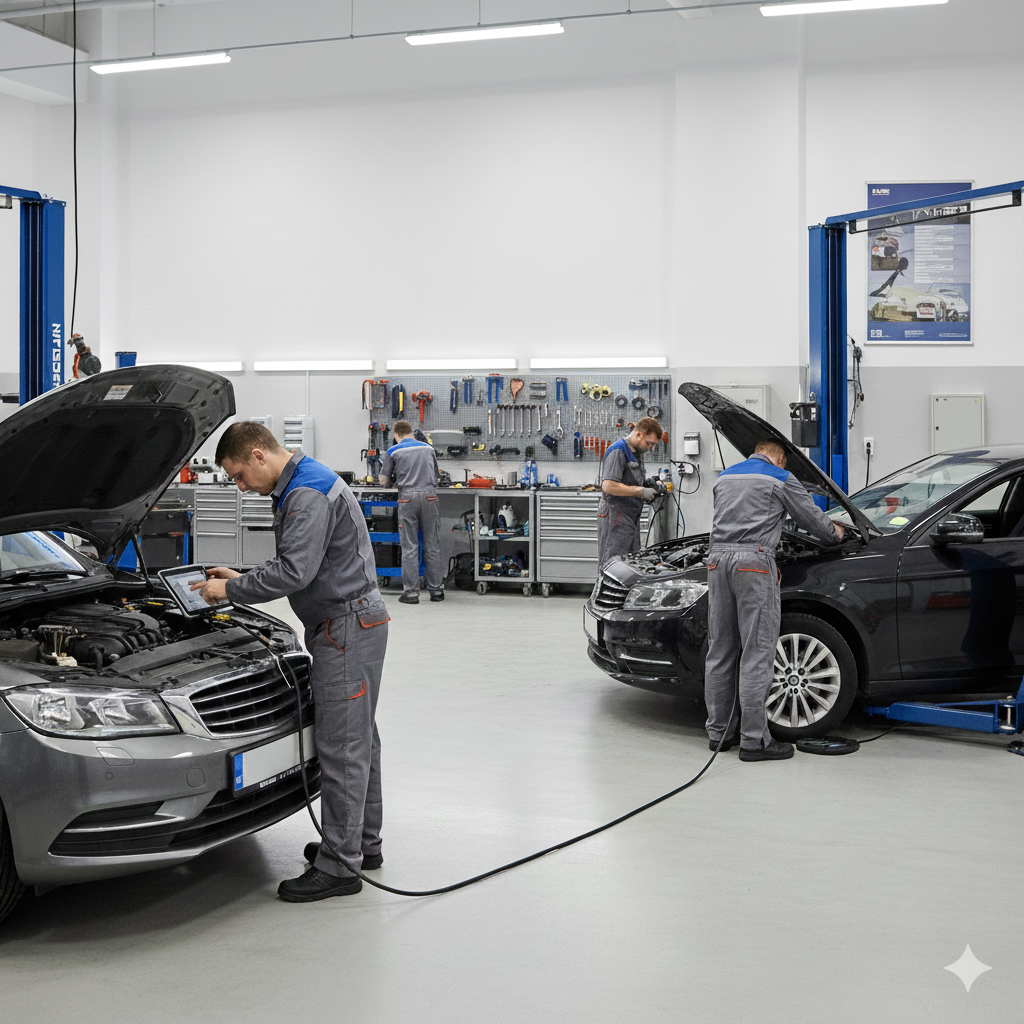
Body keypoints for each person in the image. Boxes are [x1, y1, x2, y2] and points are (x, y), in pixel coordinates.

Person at [190, 421, 389, 901]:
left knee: (342, 746)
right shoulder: (307, 478)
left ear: (259, 455)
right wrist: (243, 575)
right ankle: (360, 845)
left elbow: (295, 571)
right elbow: (308, 563)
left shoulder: (305, 493)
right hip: (353, 622)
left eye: (240, 475)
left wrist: (229, 590)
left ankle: (340, 868)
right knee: (360, 738)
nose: (241, 487)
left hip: (344, 628)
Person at [704, 438, 845, 762]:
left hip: (716, 562)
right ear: (780, 458)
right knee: (757, 651)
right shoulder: (780, 477)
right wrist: (836, 532)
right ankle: (754, 741)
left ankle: (719, 734)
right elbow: (814, 522)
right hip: (753, 564)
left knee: (720, 649)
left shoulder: (725, 476)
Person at [379, 420, 443, 604]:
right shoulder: (428, 448)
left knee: (409, 547)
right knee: (432, 545)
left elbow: (383, 480)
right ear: (412, 433)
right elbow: (436, 474)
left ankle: (412, 594)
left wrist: (391, 481)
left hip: (407, 498)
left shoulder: (393, 451)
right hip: (430, 496)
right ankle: (437, 591)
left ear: (396, 435)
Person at [596, 417, 665, 569]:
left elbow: (627, 480)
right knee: (612, 565)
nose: (651, 448)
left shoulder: (636, 453)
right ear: (639, 434)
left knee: (629, 565)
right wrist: (640, 491)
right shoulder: (618, 451)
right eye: (649, 443)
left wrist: (647, 484)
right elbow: (608, 485)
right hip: (616, 516)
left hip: (629, 517)